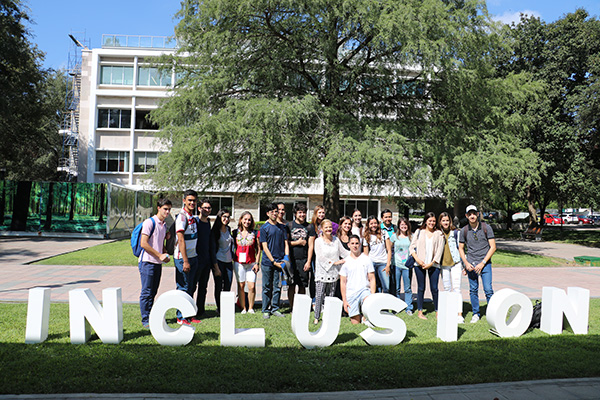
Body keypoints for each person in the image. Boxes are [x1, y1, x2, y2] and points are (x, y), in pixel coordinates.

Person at [458, 205, 496, 323]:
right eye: (470, 214)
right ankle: (476, 313)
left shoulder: (486, 228)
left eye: (474, 213)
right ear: (466, 216)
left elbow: (493, 247)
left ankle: (493, 312)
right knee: (473, 290)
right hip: (471, 264)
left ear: (478, 214)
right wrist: (466, 263)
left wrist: (483, 263)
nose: (472, 216)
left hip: (485, 264)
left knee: (488, 289)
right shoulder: (464, 230)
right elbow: (461, 248)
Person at [138, 198, 172, 328]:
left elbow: (160, 245)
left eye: (169, 209)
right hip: (147, 262)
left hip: (157, 263)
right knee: (146, 292)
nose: (167, 212)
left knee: (153, 291)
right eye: (165, 209)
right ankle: (145, 319)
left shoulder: (163, 225)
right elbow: (143, 243)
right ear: (158, 208)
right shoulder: (149, 222)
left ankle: (151, 316)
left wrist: (164, 254)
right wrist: (159, 255)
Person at [409, 212, 445, 320]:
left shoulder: (439, 233)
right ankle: (420, 311)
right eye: (430, 221)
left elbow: (440, 250)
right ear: (426, 221)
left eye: (434, 221)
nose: (432, 223)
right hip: (419, 264)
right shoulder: (419, 232)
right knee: (421, 288)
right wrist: (418, 260)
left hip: (433, 265)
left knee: (434, 288)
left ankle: (437, 311)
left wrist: (431, 263)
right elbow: (412, 247)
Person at [313, 219, 349, 324]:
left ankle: (327, 316)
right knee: (319, 295)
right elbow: (320, 257)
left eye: (330, 227)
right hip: (322, 272)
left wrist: (354, 254)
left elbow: (344, 252)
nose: (328, 229)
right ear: (322, 229)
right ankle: (316, 317)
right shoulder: (318, 241)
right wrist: (334, 263)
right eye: (326, 227)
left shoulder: (336, 240)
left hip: (334, 273)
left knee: (331, 295)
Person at [173, 190, 200, 326]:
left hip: (193, 256)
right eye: (189, 200)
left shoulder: (192, 217)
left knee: (191, 287)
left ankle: (188, 315)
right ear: (184, 200)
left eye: (194, 200)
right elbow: (181, 240)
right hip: (183, 259)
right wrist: (185, 260)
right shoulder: (182, 217)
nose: (192, 203)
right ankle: (180, 316)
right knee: (183, 287)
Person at [259, 202, 289, 319]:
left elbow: (286, 243)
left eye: (276, 211)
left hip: (280, 261)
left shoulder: (282, 227)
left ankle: (275, 308)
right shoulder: (264, 228)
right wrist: (273, 261)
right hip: (268, 262)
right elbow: (264, 247)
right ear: (267, 214)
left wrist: (286, 257)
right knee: (267, 286)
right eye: (272, 212)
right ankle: (265, 309)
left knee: (277, 286)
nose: (275, 213)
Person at [339, 235, 376, 325]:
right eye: (352, 243)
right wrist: (344, 301)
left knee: (368, 313)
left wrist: (372, 297)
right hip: (351, 294)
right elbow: (343, 282)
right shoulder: (345, 261)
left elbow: (372, 279)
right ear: (348, 245)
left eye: (356, 243)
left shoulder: (366, 259)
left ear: (360, 244)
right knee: (355, 323)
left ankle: (365, 317)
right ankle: (360, 317)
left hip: (364, 291)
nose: (355, 246)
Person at [194, 198, 219, 321]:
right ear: (199, 208)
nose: (207, 210)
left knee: (203, 287)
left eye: (209, 208)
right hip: (196, 260)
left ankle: (200, 311)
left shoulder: (208, 222)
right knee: (192, 287)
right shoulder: (195, 222)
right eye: (205, 208)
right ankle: (190, 311)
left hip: (206, 260)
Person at [438, 212, 464, 323]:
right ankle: (449, 311)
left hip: (456, 263)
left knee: (457, 289)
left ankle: (459, 314)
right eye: (443, 220)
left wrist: (463, 265)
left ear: (450, 222)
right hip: (443, 265)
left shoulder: (456, 233)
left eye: (447, 220)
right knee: (447, 289)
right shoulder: (438, 234)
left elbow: (461, 249)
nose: (445, 222)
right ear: (440, 222)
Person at [232, 211, 260, 314]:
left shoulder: (255, 233)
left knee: (251, 286)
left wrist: (257, 263)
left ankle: (251, 308)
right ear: (241, 220)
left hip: (251, 263)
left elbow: (259, 250)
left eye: (249, 220)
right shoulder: (235, 232)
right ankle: (243, 307)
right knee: (241, 285)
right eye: (245, 219)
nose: (247, 221)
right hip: (239, 263)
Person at [287, 203, 311, 309]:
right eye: (300, 212)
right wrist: (297, 243)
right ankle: (292, 307)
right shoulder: (289, 226)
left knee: (302, 285)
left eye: (304, 212)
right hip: (292, 260)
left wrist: (308, 261)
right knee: (291, 285)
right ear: (295, 214)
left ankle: (300, 308)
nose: (302, 215)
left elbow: (311, 246)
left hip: (304, 259)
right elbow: (286, 242)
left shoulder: (309, 227)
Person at [211, 208, 234, 315]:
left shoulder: (229, 229)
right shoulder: (215, 231)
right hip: (219, 261)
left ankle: (226, 307)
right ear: (219, 217)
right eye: (224, 216)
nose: (226, 219)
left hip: (229, 262)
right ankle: (220, 308)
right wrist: (216, 267)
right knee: (219, 286)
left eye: (228, 217)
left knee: (228, 285)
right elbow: (212, 250)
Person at [389, 216, 414, 315]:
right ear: (399, 226)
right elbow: (389, 249)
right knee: (397, 288)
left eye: (405, 224)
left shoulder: (411, 236)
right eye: (402, 224)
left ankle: (409, 307)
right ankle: (397, 307)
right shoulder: (394, 236)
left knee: (407, 288)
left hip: (407, 266)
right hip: (396, 265)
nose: (404, 226)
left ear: (408, 225)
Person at [362, 216, 392, 294]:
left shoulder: (384, 233)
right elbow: (366, 254)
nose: (373, 225)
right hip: (372, 263)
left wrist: (388, 265)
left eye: (375, 223)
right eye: (371, 223)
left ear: (378, 224)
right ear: (368, 225)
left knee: (386, 286)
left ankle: (386, 305)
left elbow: (389, 250)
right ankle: (377, 304)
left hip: (383, 263)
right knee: (374, 286)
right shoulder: (366, 236)